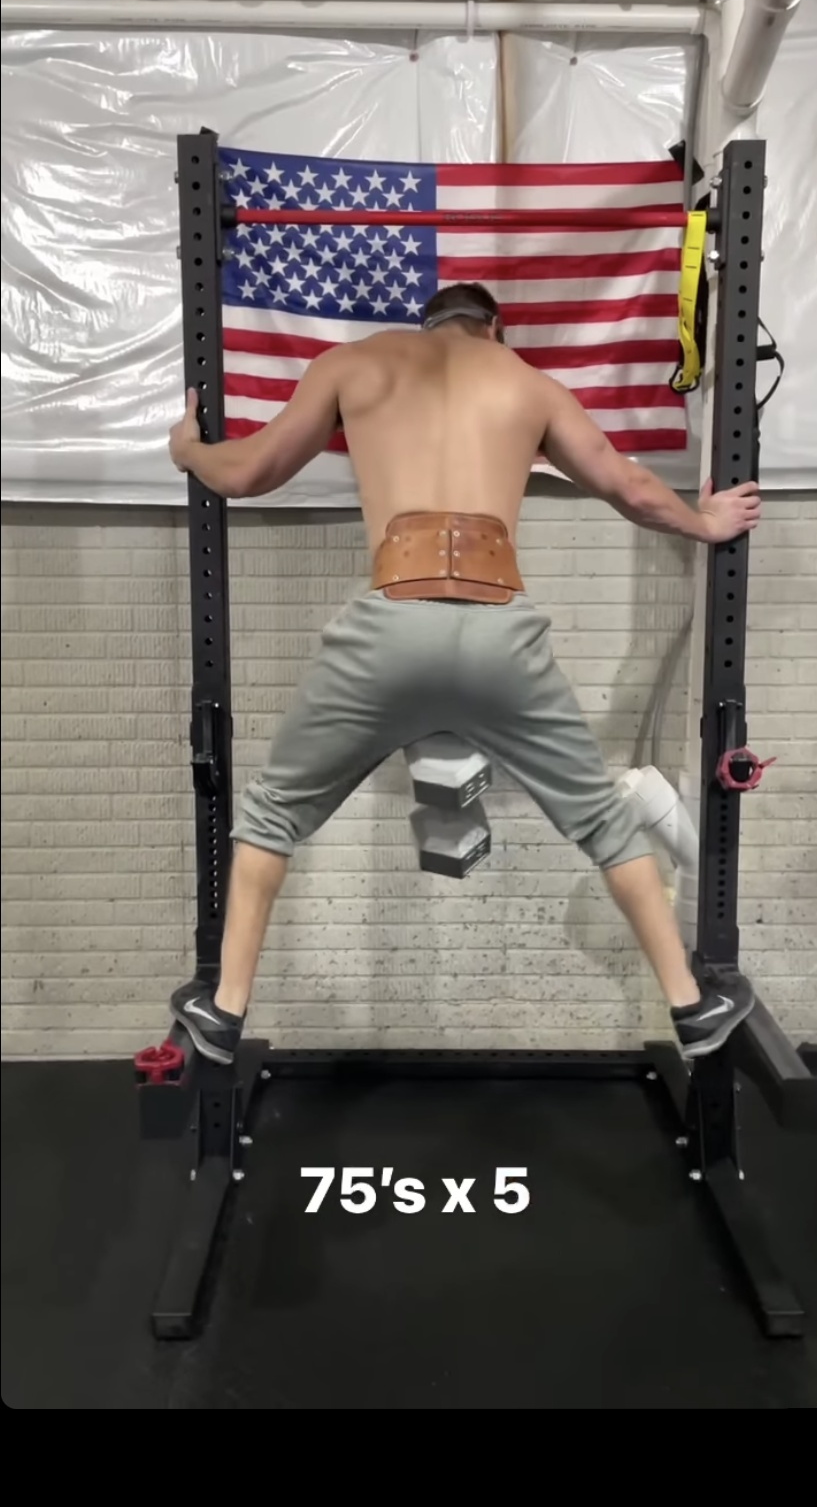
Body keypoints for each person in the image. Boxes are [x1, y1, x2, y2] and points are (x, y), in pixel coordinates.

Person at [167, 281, 760, 1066]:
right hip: (498, 635)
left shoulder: (352, 365)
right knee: (603, 820)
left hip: (389, 630)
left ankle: (223, 1012)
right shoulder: (529, 383)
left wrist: (187, 449)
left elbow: (245, 472)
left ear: (427, 324)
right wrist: (707, 523)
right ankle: (691, 1007)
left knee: (272, 815)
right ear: (494, 327)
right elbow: (632, 488)